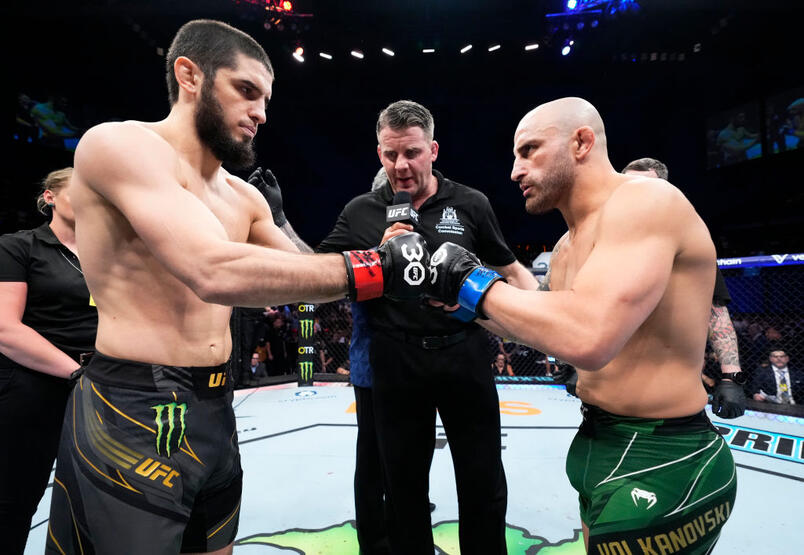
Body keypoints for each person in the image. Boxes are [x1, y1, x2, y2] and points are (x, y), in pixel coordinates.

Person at [45, 20, 427, 555]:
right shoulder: (120, 144)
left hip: (217, 410)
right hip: (130, 409)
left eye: (266, 99)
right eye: (246, 90)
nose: (261, 113)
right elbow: (212, 270)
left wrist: (406, 262)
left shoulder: (243, 198)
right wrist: (374, 267)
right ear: (190, 75)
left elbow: (307, 277)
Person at [427, 97, 737, 553]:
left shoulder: (645, 200)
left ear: (581, 142)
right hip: (598, 438)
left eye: (529, 150)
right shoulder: (566, 247)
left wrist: (471, 283)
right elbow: (539, 322)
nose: (515, 171)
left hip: (664, 455)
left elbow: (589, 338)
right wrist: (456, 301)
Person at [317, 100, 538, 554]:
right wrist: (372, 260)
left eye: (412, 153)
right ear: (379, 153)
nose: (401, 165)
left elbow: (515, 273)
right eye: (390, 154)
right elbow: (313, 275)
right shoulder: (361, 211)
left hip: (465, 351)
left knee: (482, 479)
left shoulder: (470, 203)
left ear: (433, 150)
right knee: (402, 489)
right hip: (395, 361)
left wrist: (522, 316)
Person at [0, 168, 97, 555]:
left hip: (99, 387)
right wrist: (77, 372)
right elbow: (5, 329)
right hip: (33, 385)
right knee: (13, 501)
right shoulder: (19, 246)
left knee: (101, 503)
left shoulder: (107, 253)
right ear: (50, 196)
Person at [622, 157, 747, 418]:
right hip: (613, 377)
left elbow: (715, 312)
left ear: (667, 191)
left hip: (673, 378)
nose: (637, 192)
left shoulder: (690, 239)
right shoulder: (603, 237)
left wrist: (731, 377)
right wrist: (573, 363)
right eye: (629, 184)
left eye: (646, 185)